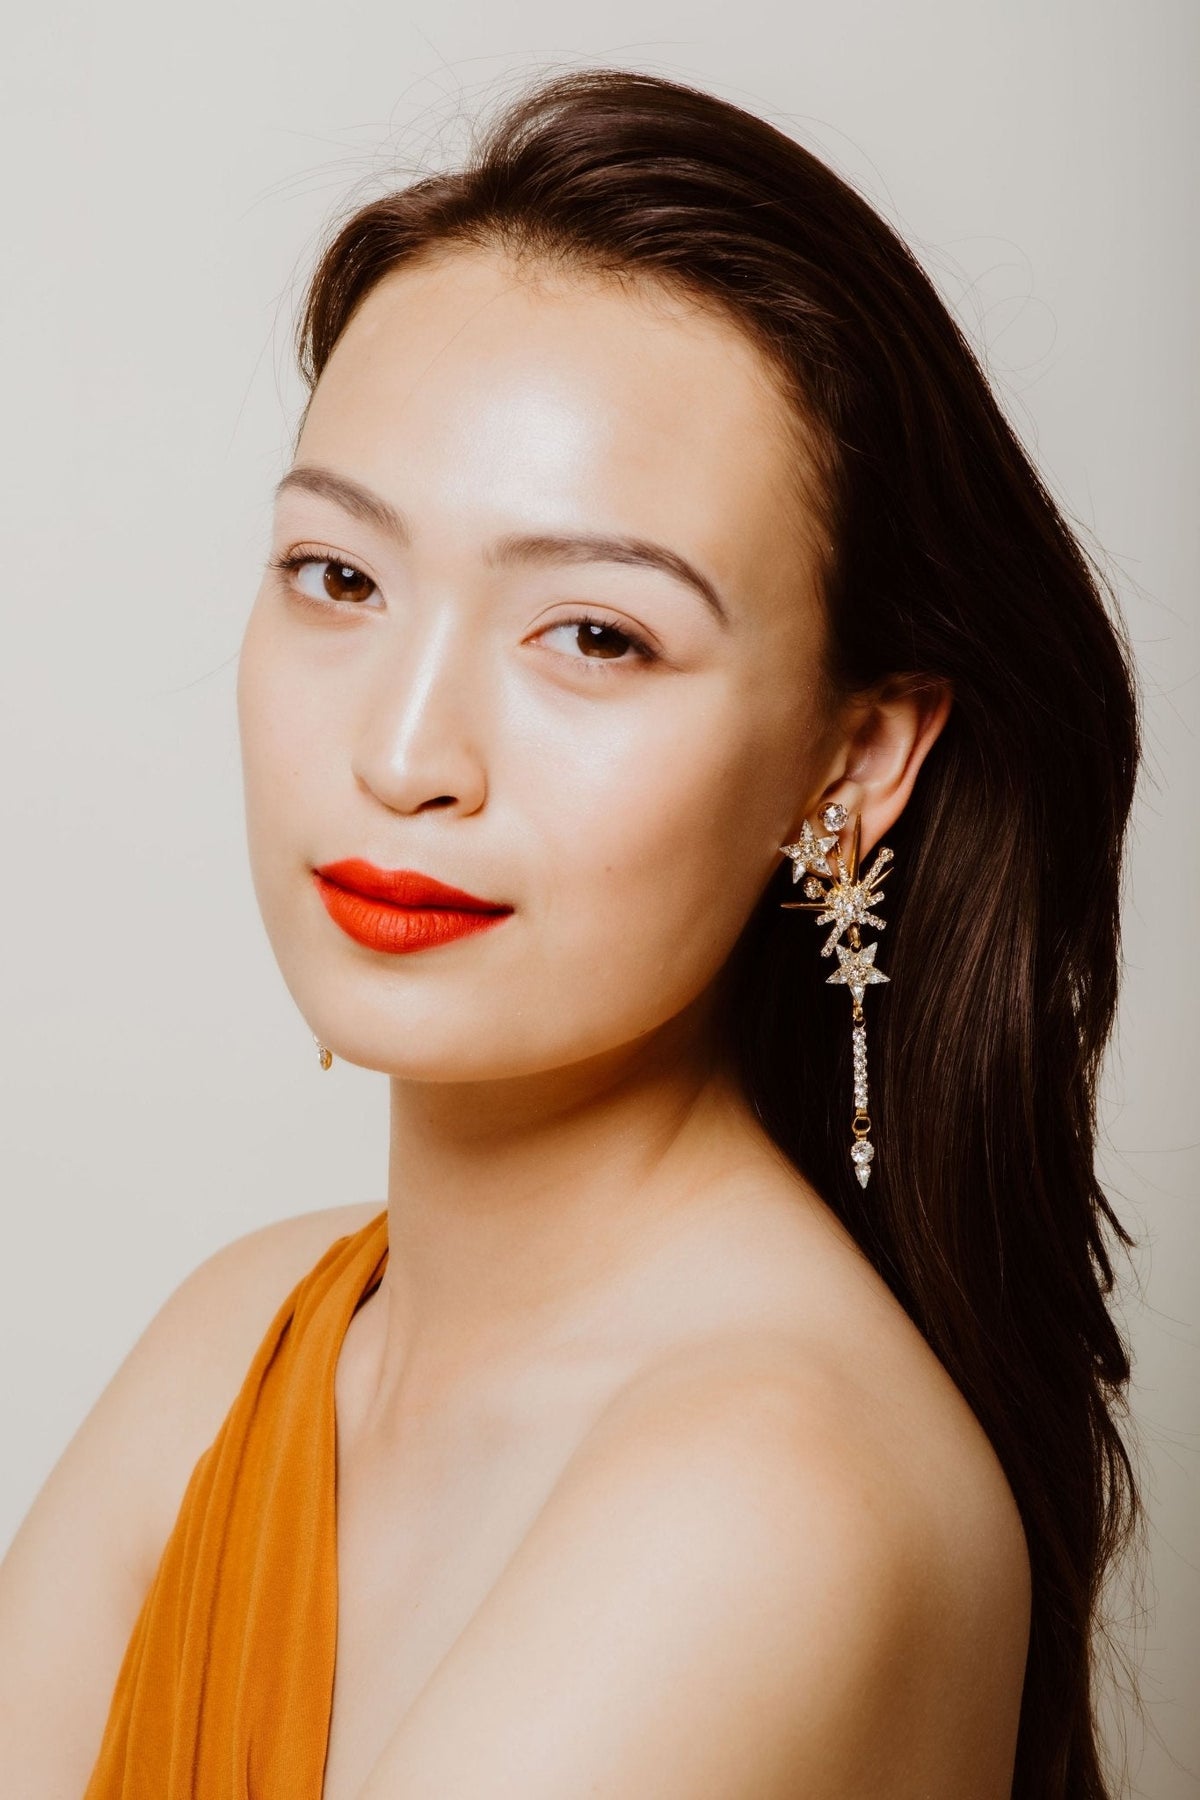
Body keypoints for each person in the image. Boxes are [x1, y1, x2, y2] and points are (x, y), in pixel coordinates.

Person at [0, 66, 1143, 1799]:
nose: (404, 754)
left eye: (596, 635)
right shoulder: (243, 1338)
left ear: (853, 761)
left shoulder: (771, 1493)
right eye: (339, 577)